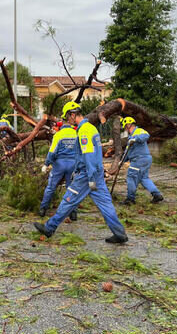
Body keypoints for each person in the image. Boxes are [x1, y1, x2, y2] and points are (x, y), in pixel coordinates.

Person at [34, 102, 128, 244]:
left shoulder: (84, 130)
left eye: (67, 117)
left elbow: (89, 155)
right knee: (105, 203)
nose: (67, 120)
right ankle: (119, 233)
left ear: (72, 115)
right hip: (97, 173)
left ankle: (49, 228)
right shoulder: (91, 128)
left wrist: (88, 177)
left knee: (69, 199)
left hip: (87, 175)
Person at [119, 117, 164, 205]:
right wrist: (122, 161)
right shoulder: (130, 138)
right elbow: (127, 153)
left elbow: (146, 135)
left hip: (139, 160)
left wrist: (136, 139)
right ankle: (157, 195)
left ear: (128, 125)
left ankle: (130, 199)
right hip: (144, 159)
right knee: (144, 178)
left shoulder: (138, 131)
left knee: (131, 177)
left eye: (125, 127)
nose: (125, 130)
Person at [39, 120, 77, 219]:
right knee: (72, 188)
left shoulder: (58, 135)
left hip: (59, 164)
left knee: (51, 187)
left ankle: (43, 209)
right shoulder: (76, 134)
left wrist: (46, 164)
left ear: (61, 127)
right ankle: (73, 213)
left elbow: (52, 152)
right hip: (73, 164)